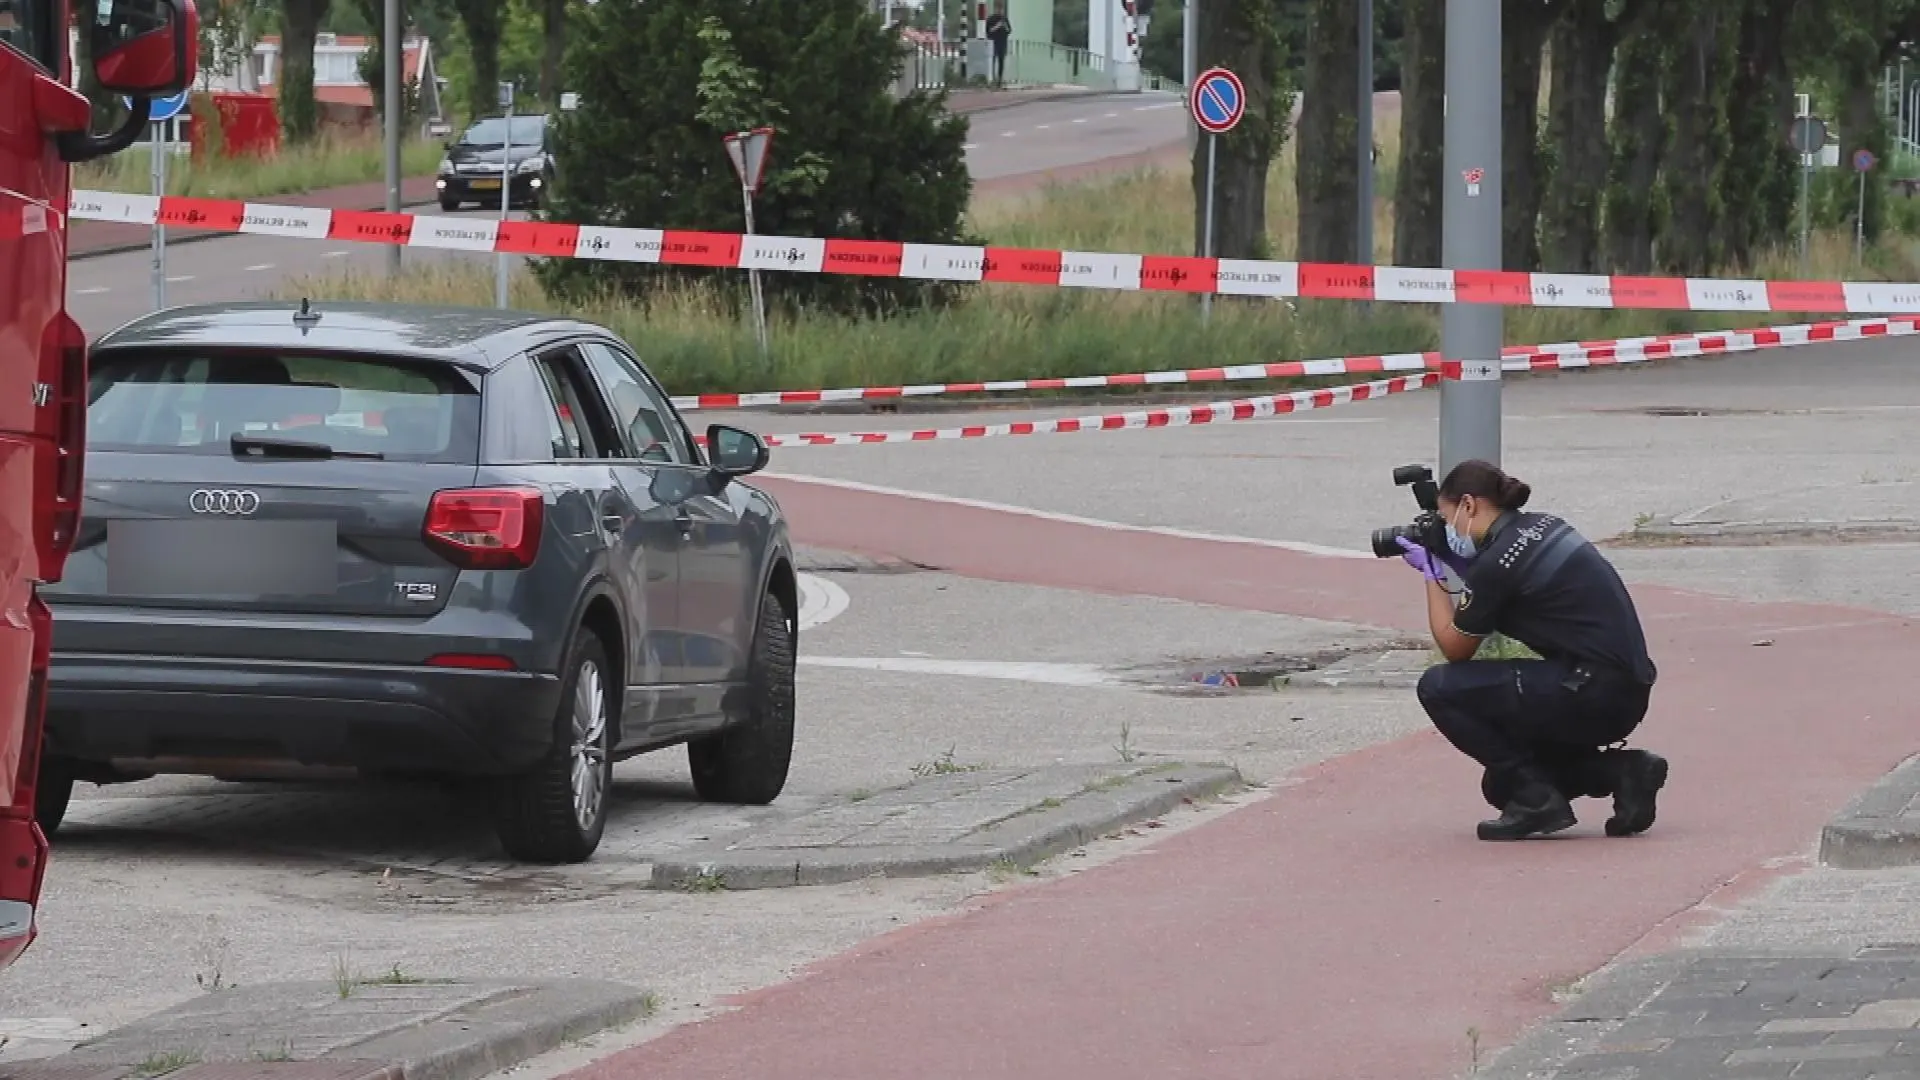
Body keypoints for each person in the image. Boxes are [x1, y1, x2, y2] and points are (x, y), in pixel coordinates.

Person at [1394, 459, 1668, 842]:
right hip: (1623, 690)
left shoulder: (1496, 565)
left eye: (1445, 518)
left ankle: (1538, 800)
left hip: (1590, 693)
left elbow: (1455, 648)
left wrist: (1432, 572)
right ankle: (1623, 772)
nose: (1447, 529)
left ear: (1468, 505)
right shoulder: (1541, 526)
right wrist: (1451, 557)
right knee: (1500, 788)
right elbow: (1499, 581)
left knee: (1439, 687)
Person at [985, 6, 1011, 87]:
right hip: (993, 42)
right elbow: (988, 31)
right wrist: (997, 26)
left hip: (1002, 43)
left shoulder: (1004, 19)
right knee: (992, 60)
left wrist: (1005, 26)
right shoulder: (991, 19)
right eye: (999, 9)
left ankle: (1000, 79)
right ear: (995, 9)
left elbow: (1009, 30)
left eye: (1001, 10)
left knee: (1001, 61)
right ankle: (992, 78)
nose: (1000, 11)